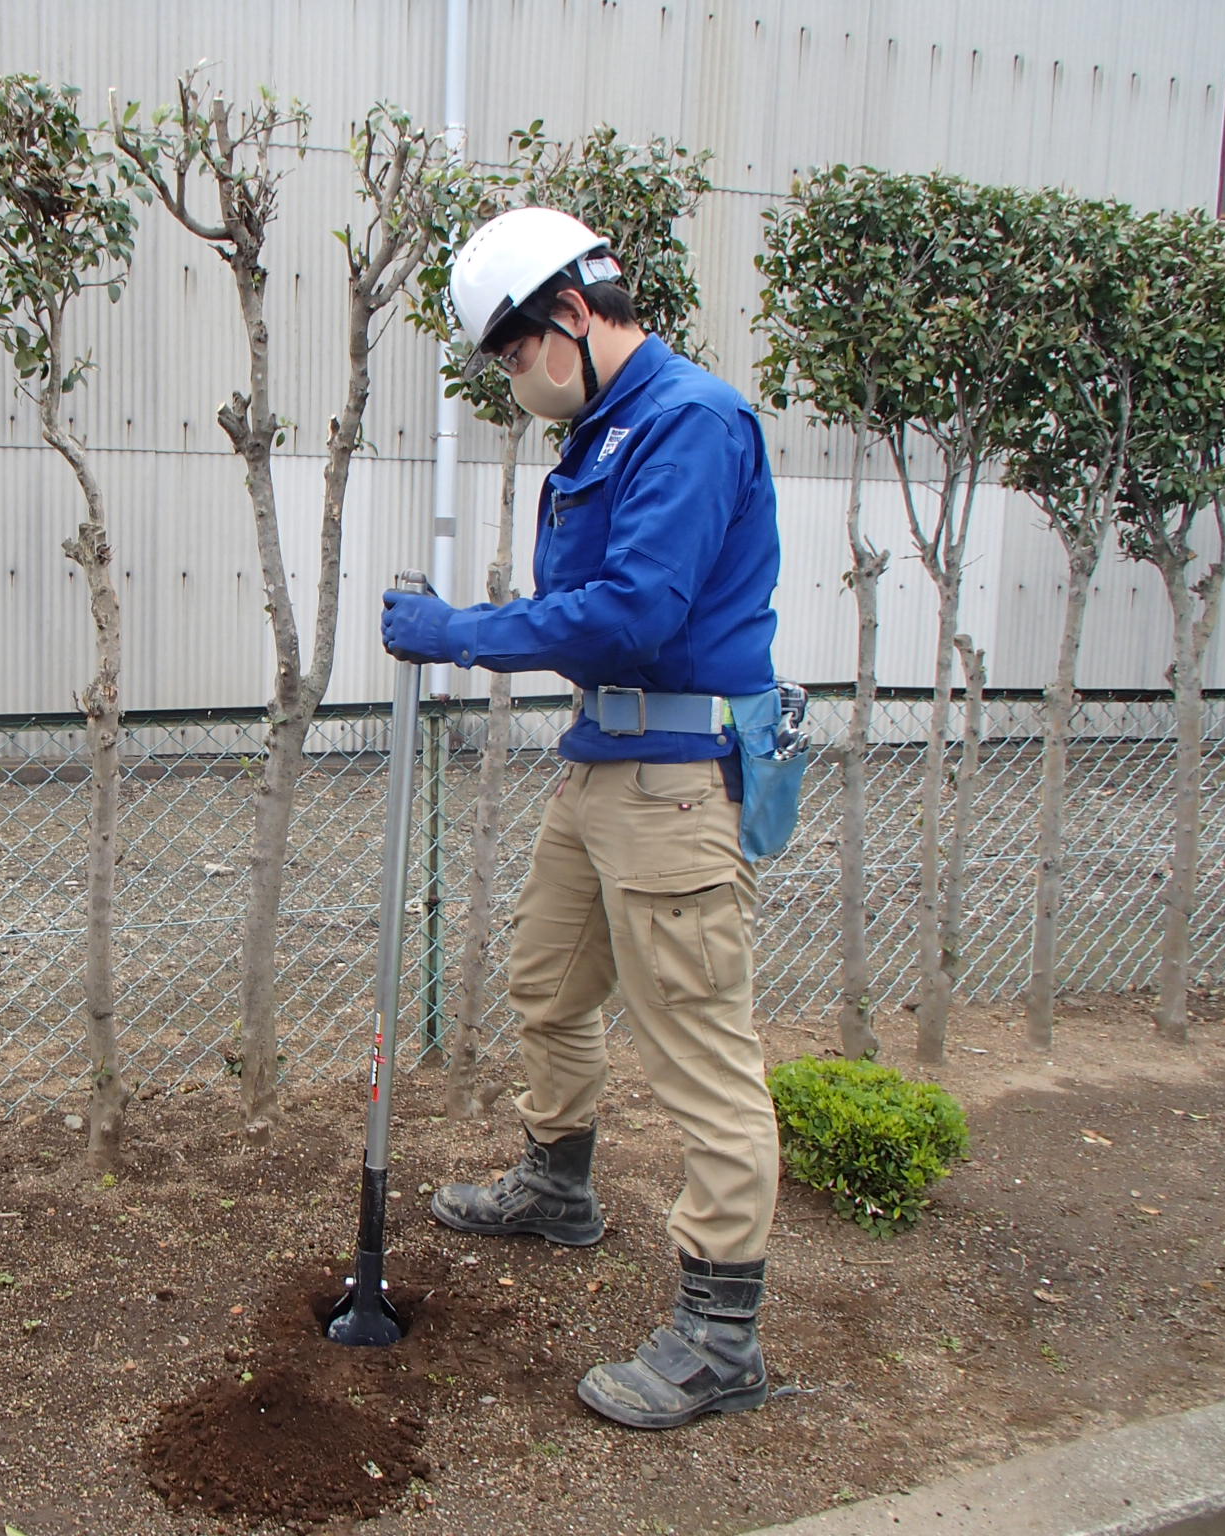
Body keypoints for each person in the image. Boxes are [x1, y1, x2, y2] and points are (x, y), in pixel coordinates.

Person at [382, 206, 789, 1430]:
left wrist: (460, 633)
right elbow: (587, 611)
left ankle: (721, 1339)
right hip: (600, 764)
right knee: (546, 985)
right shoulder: (604, 434)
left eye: (512, 357)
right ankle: (557, 1187)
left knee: (704, 1063)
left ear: (567, 318)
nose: (512, 383)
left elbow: (630, 613)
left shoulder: (688, 423)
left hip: (670, 777)